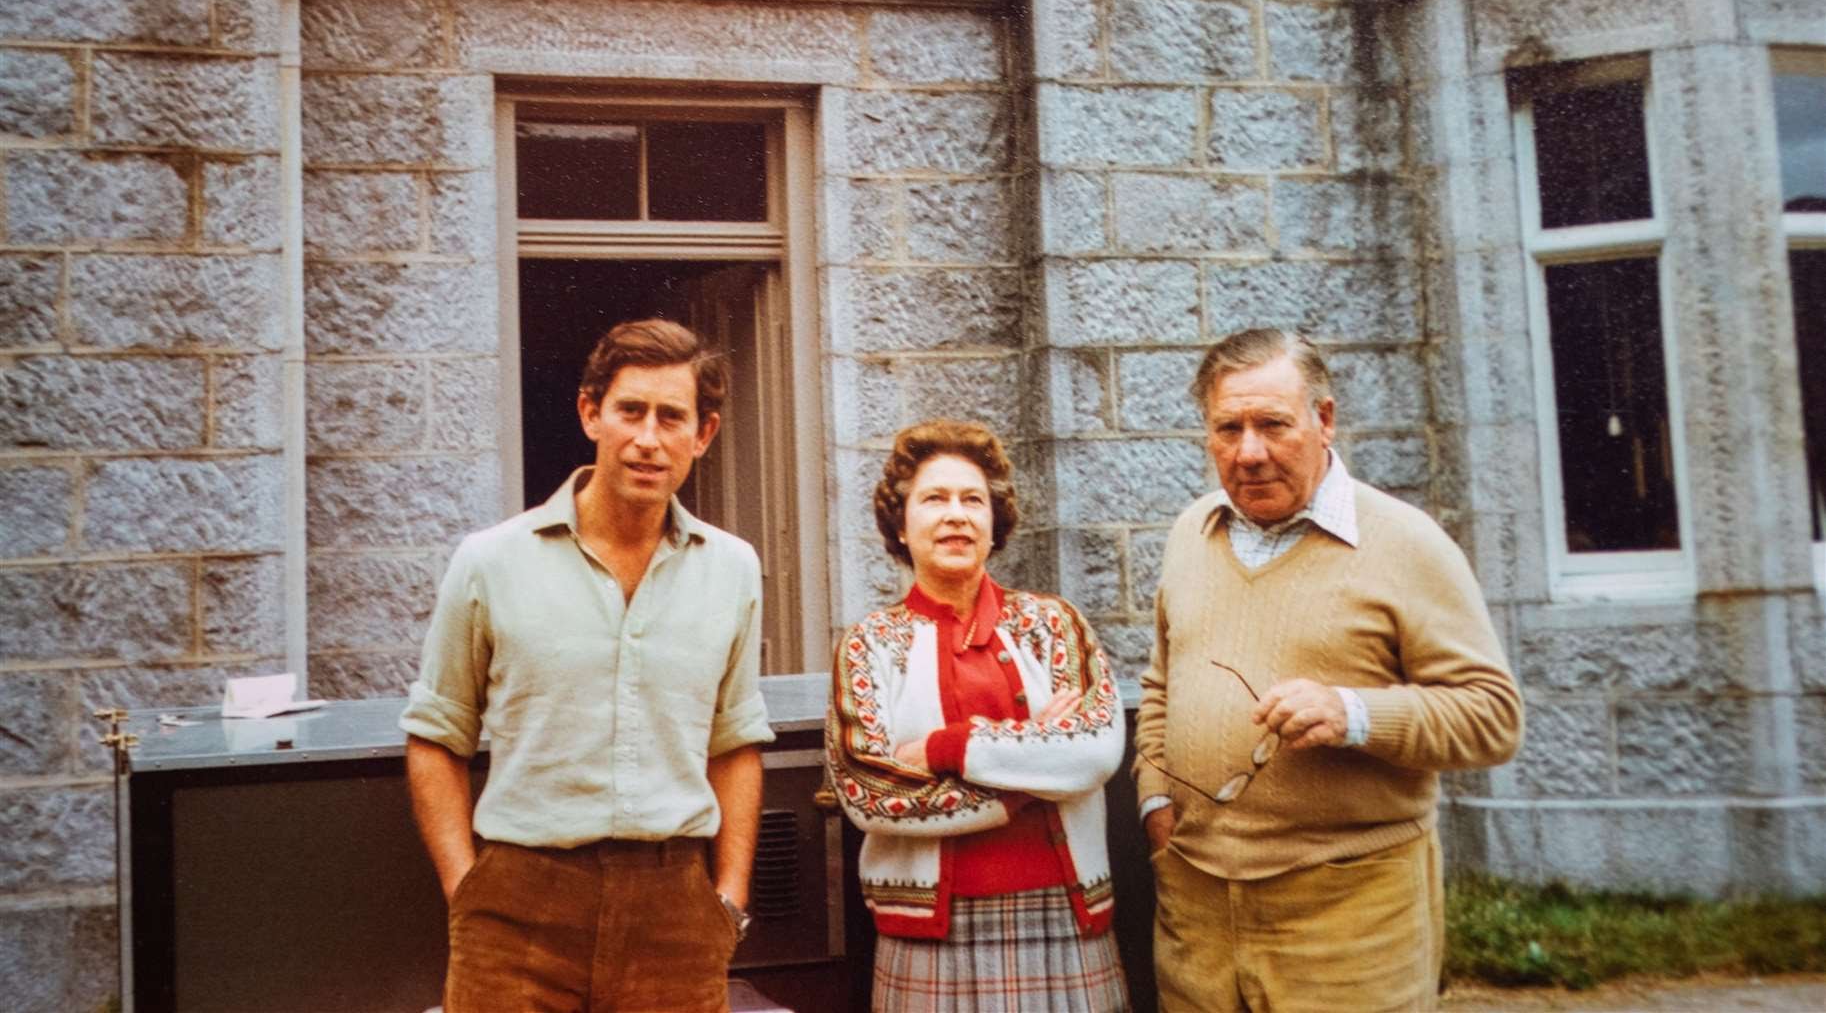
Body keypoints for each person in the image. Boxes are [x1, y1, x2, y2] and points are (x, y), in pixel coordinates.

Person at [1135, 328, 1524, 1012]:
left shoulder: (1406, 543)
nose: (1249, 452)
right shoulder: (1190, 533)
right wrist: (1155, 801)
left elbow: (1492, 717)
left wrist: (1355, 714)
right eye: (1228, 428)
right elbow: (1162, 684)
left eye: (1272, 425)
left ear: (1325, 419)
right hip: (1194, 907)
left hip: (1347, 916)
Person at [400, 318, 773, 1012]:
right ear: (590, 413)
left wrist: (728, 898)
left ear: (704, 435)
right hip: (518, 908)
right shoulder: (490, 561)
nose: (648, 438)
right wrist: (467, 891)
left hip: (675, 915)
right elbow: (435, 736)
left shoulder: (733, 568)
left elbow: (736, 741)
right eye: (630, 410)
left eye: (672, 417)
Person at [825, 419, 1130, 1012]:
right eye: (933, 499)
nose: (956, 515)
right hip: (927, 938)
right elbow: (868, 789)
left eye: (973, 500)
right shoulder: (870, 644)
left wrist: (949, 748)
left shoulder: (1052, 624)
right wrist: (1029, 782)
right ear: (901, 523)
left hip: (1063, 918)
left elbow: (1094, 749)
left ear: (995, 523)